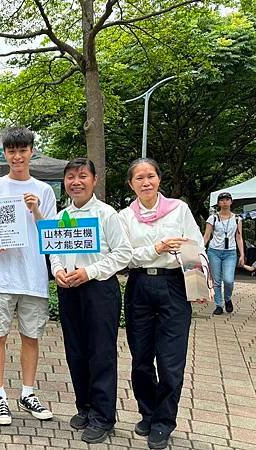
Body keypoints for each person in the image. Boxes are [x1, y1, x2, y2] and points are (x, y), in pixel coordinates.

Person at [119, 158, 205, 450]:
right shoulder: (124, 217)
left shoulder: (178, 209)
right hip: (139, 286)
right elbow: (125, 256)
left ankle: (164, 422)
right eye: (139, 178)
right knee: (141, 359)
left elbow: (196, 246)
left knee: (171, 362)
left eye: (151, 176)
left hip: (174, 286)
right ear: (131, 184)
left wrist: (199, 284)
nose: (146, 182)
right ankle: (148, 412)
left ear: (159, 179)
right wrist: (156, 248)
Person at [50, 158, 132, 443]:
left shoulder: (108, 214)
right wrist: (57, 269)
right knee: (76, 351)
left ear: (94, 180)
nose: (76, 182)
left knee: (101, 354)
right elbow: (55, 251)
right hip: (69, 290)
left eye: (82, 176)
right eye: (70, 177)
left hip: (99, 290)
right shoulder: (62, 216)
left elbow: (123, 254)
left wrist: (90, 272)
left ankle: (103, 417)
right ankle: (83, 406)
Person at [0, 127, 57, 426]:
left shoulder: (44, 190)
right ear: (5, 154)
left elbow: (51, 235)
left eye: (22, 150)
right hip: (0, 276)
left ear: (31, 152)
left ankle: (27, 392)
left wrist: (36, 210)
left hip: (33, 276)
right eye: (12, 151)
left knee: (31, 337)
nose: (17, 156)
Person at [203, 192, 245, 314]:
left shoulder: (237, 219)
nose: (225, 202)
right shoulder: (213, 218)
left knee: (228, 280)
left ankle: (227, 299)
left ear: (231, 202)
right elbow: (206, 236)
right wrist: (199, 250)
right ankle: (219, 305)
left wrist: (242, 254)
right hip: (214, 251)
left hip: (230, 253)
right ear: (218, 203)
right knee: (216, 281)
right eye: (222, 200)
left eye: (227, 199)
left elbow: (239, 237)